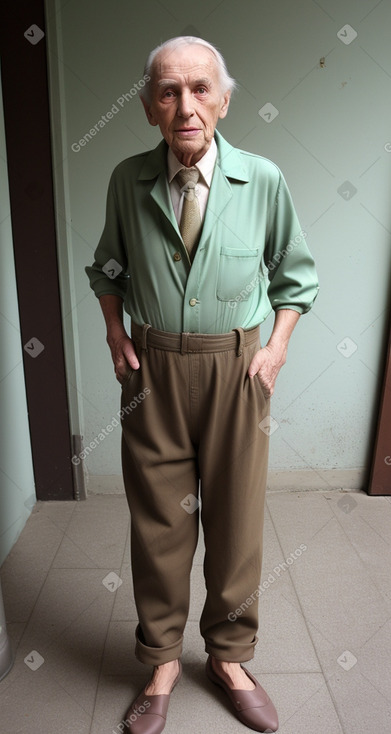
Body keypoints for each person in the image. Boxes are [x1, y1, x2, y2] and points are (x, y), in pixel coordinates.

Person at [86, 35, 319, 734]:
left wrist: (275, 347)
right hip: (150, 371)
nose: (185, 105)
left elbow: (294, 277)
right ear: (149, 107)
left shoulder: (263, 179)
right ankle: (160, 661)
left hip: (236, 369)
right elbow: (107, 270)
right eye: (167, 91)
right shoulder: (127, 179)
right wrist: (114, 332)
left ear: (221, 99)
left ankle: (229, 656)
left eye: (199, 89)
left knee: (236, 520)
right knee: (158, 524)